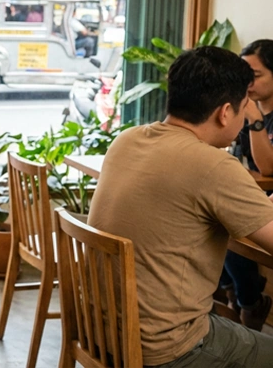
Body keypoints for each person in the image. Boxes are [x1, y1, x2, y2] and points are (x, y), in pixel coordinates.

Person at [88, 46, 273, 367]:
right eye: (244, 110)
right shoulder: (213, 165)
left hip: (99, 330)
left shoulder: (127, 140)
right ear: (225, 112)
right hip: (165, 348)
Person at [220, 38, 273, 330]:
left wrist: (254, 121)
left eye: (255, 75)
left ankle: (248, 302)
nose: (247, 84)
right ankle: (233, 292)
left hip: (264, 199)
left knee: (228, 227)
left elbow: (267, 167)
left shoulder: (255, 116)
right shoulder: (242, 110)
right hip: (246, 192)